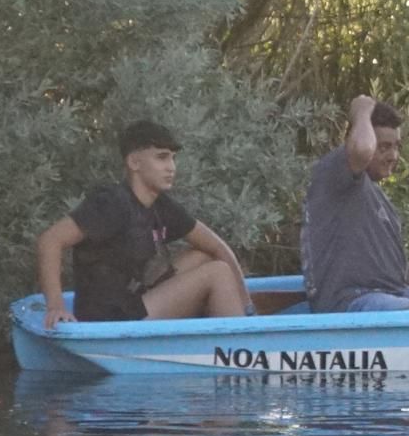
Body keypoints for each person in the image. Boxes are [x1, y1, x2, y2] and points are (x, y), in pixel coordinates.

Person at [36, 121, 252, 329]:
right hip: (108, 319)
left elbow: (217, 246)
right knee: (217, 272)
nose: (171, 167)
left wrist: (248, 307)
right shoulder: (112, 203)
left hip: (135, 301)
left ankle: (226, 328)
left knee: (203, 257)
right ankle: (240, 346)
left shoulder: (160, 204)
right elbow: (50, 240)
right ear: (134, 163)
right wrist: (56, 307)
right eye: (162, 158)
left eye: (173, 158)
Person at [302, 96, 409, 313]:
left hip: (394, 293)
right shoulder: (335, 174)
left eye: (396, 146)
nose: (393, 156)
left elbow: (393, 269)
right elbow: (361, 150)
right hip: (352, 301)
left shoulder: (375, 196)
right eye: (384, 147)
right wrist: (362, 109)